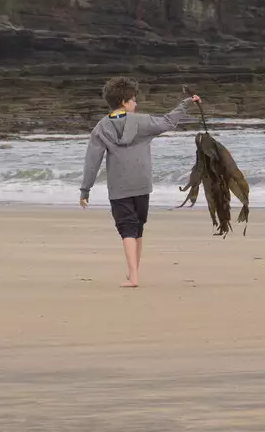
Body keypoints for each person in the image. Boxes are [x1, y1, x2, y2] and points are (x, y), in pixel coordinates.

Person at [79, 77, 200, 287]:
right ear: (125, 101)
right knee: (138, 228)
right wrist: (186, 103)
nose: (136, 104)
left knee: (126, 228)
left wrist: (85, 189)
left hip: (119, 187)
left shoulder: (101, 128)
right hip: (142, 184)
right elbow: (168, 121)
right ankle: (133, 271)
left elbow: (92, 161)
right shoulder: (142, 122)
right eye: (133, 100)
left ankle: (133, 275)